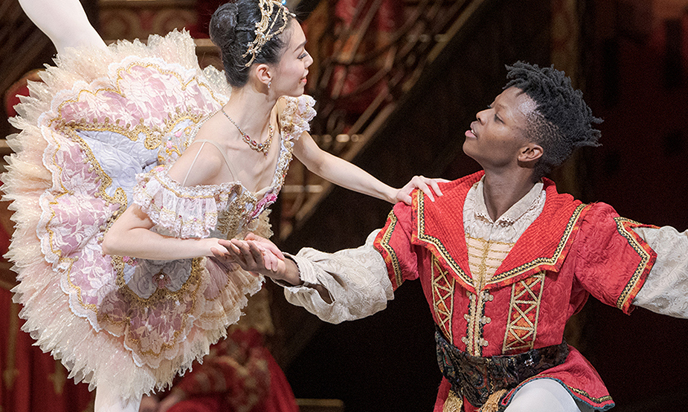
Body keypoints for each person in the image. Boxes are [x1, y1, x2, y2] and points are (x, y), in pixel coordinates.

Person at [0, 0, 443, 411]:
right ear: (265, 72)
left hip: (194, 239)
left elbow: (320, 162)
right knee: (81, 46)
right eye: (301, 53)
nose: (311, 60)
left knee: (129, 382)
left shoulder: (282, 110)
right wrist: (206, 248)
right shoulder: (208, 154)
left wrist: (391, 191)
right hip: (146, 238)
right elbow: (120, 238)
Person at [220, 62, 688, 412]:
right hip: (461, 398)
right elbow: (371, 269)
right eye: (490, 106)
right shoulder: (431, 207)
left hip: (541, 390)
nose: (481, 115)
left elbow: (669, 264)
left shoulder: (576, 229)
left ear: (530, 151)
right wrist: (290, 267)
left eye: (499, 118)